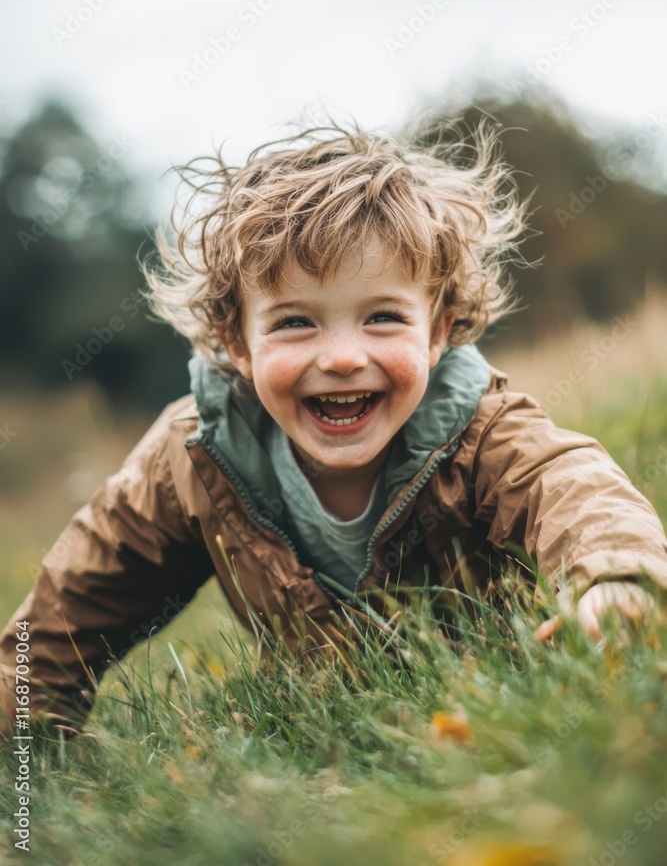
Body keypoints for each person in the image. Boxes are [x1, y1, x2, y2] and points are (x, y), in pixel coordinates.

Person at [1, 121, 665, 738]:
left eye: (381, 317)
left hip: (490, 720)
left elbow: (573, 488)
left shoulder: (482, 431)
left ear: (436, 332)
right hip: (322, 741)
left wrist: (618, 581)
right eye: (295, 322)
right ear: (237, 341)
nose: (343, 357)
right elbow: (78, 600)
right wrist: (19, 702)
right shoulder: (196, 455)